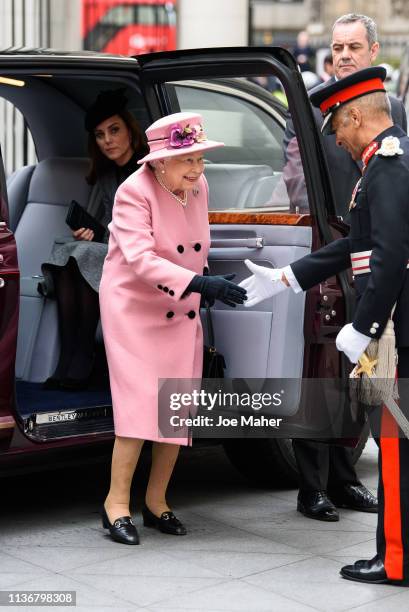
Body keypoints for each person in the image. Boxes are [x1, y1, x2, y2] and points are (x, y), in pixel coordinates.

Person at [240, 66, 409, 585]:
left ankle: (396, 560)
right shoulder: (381, 164)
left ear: (357, 114)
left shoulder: (389, 166)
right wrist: (288, 275)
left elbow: (390, 259)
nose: (333, 135)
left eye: (336, 123)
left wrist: (364, 326)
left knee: (397, 447)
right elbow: (356, 242)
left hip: (400, 328)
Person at [98, 112, 247, 545]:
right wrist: (199, 284)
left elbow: (198, 245)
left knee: (175, 405)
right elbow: (141, 260)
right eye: (188, 160)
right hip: (135, 309)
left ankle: (157, 501)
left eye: (201, 158)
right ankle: (116, 505)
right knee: (139, 408)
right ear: (160, 160)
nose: (197, 169)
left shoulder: (197, 186)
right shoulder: (133, 192)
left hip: (179, 305)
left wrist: (207, 281)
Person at [281, 13, 407, 521]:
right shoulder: (313, 108)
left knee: (369, 364)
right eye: (336, 48)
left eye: (353, 46)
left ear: (373, 51)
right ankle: (311, 484)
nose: (343, 56)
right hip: (329, 244)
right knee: (322, 369)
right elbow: (295, 171)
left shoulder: (388, 107)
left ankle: (345, 473)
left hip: (371, 252)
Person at [41, 89, 148, 390]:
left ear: (130, 131)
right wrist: (90, 232)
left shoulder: (148, 169)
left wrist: (103, 237)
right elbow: (105, 225)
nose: (108, 141)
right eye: (100, 135)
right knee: (68, 251)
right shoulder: (105, 176)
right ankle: (68, 357)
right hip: (113, 249)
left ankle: (84, 355)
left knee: (85, 254)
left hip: (141, 253)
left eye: (114, 131)